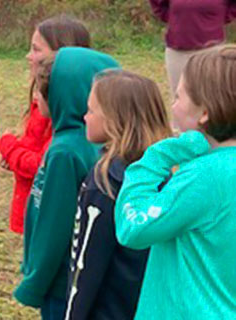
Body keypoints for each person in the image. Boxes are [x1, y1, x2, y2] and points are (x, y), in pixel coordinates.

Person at [116, 46, 236, 319]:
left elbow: (133, 228)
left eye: (177, 96)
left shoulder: (203, 176)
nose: (173, 106)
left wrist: (155, 159)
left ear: (204, 112)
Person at [13, 48, 119, 320]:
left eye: (40, 90)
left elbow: (54, 226)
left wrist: (34, 284)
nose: (35, 97)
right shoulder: (93, 142)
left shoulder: (64, 152)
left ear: (64, 95)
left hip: (59, 282)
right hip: (82, 280)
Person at [65, 71, 171, 319]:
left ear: (114, 120)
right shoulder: (167, 176)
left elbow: (85, 267)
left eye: (91, 111)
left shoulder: (104, 184)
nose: (84, 117)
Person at [0, 15, 91, 234]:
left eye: (36, 49)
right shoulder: (43, 102)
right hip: (35, 212)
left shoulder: (64, 112)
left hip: (47, 218)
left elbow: (43, 164)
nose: (28, 56)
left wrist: (9, 147)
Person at [148, 0, 236, 98]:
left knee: (211, 97)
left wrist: (226, 16)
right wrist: (169, 17)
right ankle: (182, 125)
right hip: (177, 50)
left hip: (211, 50)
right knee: (180, 96)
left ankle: (209, 125)